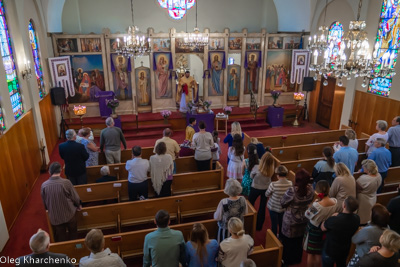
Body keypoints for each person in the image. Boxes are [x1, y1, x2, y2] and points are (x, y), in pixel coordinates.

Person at [280, 169, 314, 266]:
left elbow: (282, 203)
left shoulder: (292, 190)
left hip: (291, 220)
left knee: (288, 241)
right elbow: (311, 200)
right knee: (299, 240)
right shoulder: (311, 189)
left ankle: (287, 260)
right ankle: (297, 258)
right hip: (304, 218)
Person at [40, 162, 82, 242]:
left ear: (49, 172)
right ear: (60, 171)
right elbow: (75, 197)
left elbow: (45, 203)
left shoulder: (44, 185)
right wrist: (78, 205)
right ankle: (74, 247)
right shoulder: (66, 182)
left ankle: (63, 249)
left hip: (55, 217)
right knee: (73, 233)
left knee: (60, 236)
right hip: (69, 214)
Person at [304, 180, 338, 267]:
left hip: (314, 229)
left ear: (317, 191)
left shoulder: (317, 205)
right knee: (318, 252)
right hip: (324, 229)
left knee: (311, 253)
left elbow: (307, 215)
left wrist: (313, 204)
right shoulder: (334, 201)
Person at [321, 196, 360, 267]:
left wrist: (332, 216)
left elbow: (323, 228)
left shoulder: (334, 220)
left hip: (330, 250)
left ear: (344, 205)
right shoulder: (357, 219)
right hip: (344, 250)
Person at [248, 152, 274, 231]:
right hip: (265, 188)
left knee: (250, 203)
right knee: (262, 207)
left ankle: (249, 221)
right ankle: (259, 226)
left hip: (255, 187)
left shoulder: (257, 167)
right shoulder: (271, 169)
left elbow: (251, 176)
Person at [265, 165, 292, 237]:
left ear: (278, 175)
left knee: (274, 224)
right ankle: (280, 236)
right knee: (281, 223)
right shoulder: (290, 183)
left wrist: (271, 195)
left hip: (273, 206)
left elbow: (267, 194)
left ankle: (273, 239)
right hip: (283, 207)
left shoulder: (273, 184)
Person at [356, 160, 382, 225]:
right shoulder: (379, 176)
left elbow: (355, 186)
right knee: (369, 214)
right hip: (372, 196)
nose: (362, 168)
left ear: (368, 169)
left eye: (363, 167)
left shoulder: (364, 179)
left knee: (362, 216)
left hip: (363, 200)